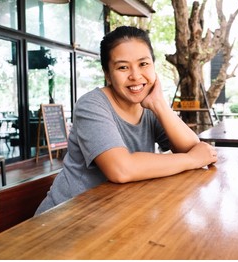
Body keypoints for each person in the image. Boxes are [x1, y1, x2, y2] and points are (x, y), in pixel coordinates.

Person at [35, 26, 217, 215]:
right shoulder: (91, 105)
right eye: (123, 67)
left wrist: (160, 105)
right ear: (107, 74)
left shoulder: (149, 106)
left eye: (144, 64)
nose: (136, 76)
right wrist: (191, 159)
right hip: (66, 219)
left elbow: (193, 148)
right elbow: (121, 169)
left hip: (114, 215)